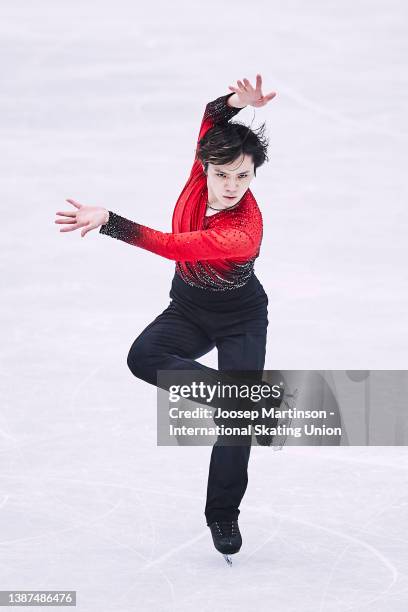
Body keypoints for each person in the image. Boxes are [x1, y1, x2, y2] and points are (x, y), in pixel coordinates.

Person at [55, 74, 277, 562]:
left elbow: (173, 246)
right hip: (190, 307)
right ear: (205, 167)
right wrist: (239, 102)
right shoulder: (204, 169)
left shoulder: (242, 230)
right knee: (143, 357)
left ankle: (222, 513)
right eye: (223, 175)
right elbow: (213, 115)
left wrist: (110, 221)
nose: (232, 186)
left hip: (241, 317)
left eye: (244, 176)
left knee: (237, 424)